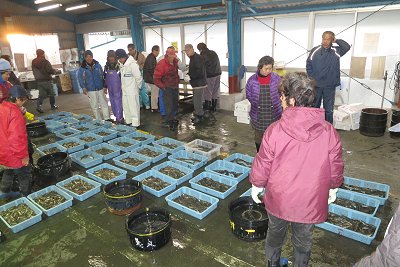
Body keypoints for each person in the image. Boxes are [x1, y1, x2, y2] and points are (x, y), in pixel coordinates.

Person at [249, 72, 344, 267]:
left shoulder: (274, 130)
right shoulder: (328, 131)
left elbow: (264, 162)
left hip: (279, 199)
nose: (280, 100)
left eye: (282, 96)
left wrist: (257, 185)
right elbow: (335, 166)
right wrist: (333, 187)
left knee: (275, 233)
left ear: (292, 99)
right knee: (303, 238)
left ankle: (273, 263)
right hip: (310, 200)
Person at [306, 31, 350, 124]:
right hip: (316, 85)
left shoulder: (337, 51)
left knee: (329, 110)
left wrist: (336, 40)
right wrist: (312, 78)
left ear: (332, 40)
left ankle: (328, 129)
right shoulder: (315, 50)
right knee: (314, 108)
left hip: (330, 86)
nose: (325, 41)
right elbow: (308, 64)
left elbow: (347, 47)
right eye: (324, 39)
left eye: (328, 39)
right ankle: (314, 127)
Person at [0, 85, 32, 199]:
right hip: (13, 152)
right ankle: (26, 195)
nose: (25, 101)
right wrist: (23, 156)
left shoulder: (2, 107)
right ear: (17, 99)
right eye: (23, 99)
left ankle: (4, 192)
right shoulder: (15, 113)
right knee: (24, 173)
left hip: (2, 150)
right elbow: (16, 138)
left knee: (8, 170)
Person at [246, 56, 282, 152]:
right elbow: (249, 95)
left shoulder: (276, 78)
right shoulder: (252, 81)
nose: (268, 71)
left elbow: (281, 92)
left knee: (274, 135)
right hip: (259, 113)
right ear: (260, 67)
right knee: (259, 136)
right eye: (266, 69)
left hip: (274, 113)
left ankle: (272, 153)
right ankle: (260, 153)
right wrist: (256, 104)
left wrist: (277, 102)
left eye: (270, 68)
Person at [78, 50, 111, 121]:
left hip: (100, 88)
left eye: (90, 57)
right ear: (85, 58)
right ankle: (98, 120)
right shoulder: (82, 68)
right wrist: (83, 88)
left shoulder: (98, 65)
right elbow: (80, 79)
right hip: (90, 89)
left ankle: (107, 118)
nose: (89, 58)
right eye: (87, 57)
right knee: (94, 106)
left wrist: (104, 86)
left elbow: (102, 75)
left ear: (92, 57)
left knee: (104, 103)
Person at [153, 46, 180, 131]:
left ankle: (172, 118)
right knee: (168, 105)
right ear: (168, 55)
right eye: (172, 55)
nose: (174, 57)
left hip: (174, 86)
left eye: (174, 55)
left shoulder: (175, 62)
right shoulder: (162, 64)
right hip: (167, 87)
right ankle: (168, 121)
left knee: (175, 104)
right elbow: (156, 78)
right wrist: (163, 87)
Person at [116, 48, 142, 127]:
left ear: (124, 56)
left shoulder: (132, 64)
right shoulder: (122, 65)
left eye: (120, 58)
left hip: (132, 91)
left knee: (134, 108)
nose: (119, 60)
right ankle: (129, 122)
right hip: (125, 91)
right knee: (127, 108)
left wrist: (138, 88)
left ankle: (136, 124)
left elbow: (138, 77)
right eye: (118, 59)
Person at [32, 49, 61, 113]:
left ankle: (39, 106)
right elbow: (49, 70)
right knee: (51, 94)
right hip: (47, 80)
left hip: (39, 81)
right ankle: (52, 106)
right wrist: (55, 71)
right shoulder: (45, 61)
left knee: (41, 94)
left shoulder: (33, 62)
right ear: (43, 54)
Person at [184, 44, 207, 124]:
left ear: (191, 49)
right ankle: (198, 114)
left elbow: (199, 72)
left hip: (199, 83)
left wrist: (190, 74)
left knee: (197, 100)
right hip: (197, 82)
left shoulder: (197, 58)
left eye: (187, 51)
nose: (186, 53)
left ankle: (200, 116)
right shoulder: (193, 57)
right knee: (196, 100)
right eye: (185, 52)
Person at [197, 42, 221, 112]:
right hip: (218, 74)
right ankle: (214, 107)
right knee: (215, 91)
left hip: (210, 76)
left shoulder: (203, 55)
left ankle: (207, 108)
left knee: (208, 92)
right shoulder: (213, 52)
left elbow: (201, 67)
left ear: (200, 49)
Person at [127, 43, 150, 110]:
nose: (130, 52)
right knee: (136, 90)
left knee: (142, 89)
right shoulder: (128, 56)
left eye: (131, 50)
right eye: (129, 50)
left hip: (140, 73)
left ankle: (147, 104)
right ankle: (140, 104)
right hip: (131, 75)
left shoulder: (141, 55)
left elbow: (145, 65)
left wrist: (138, 67)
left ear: (134, 49)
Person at [104, 50, 124, 124]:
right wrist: (105, 87)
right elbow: (104, 77)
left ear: (115, 57)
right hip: (110, 87)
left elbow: (121, 77)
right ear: (108, 57)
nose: (111, 58)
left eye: (112, 57)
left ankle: (120, 118)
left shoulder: (118, 66)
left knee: (118, 101)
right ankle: (116, 116)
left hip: (117, 87)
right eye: (110, 57)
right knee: (112, 102)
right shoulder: (106, 67)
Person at [143, 45, 160, 112]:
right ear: (154, 51)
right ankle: (154, 108)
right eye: (158, 51)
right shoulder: (151, 58)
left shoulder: (151, 57)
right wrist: (156, 78)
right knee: (154, 93)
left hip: (149, 78)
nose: (158, 53)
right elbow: (151, 69)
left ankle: (154, 106)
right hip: (151, 79)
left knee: (154, 93)